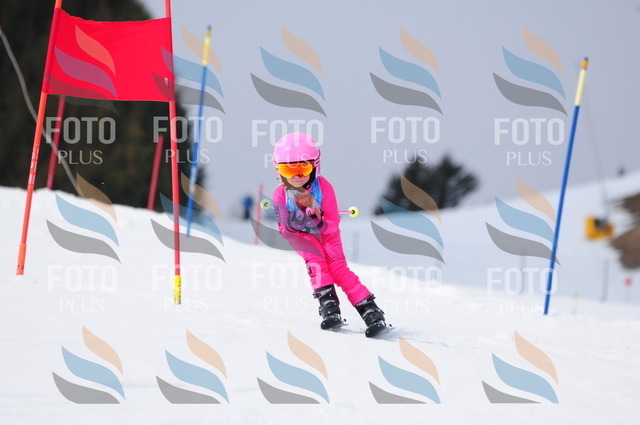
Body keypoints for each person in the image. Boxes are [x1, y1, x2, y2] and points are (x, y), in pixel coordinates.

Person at [270, 133, 388, 337]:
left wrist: (319, 222)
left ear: (315, 166)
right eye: (288, 169)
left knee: (338, 267)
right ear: (278, 170)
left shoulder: (324, 188)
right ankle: (329, 306)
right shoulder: (280, 194)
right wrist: (298, 222)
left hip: (327, 235)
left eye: (303, 168)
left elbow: (333, 224)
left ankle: (370, 310)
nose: (296, 176)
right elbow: (284, 231)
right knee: (316, 262)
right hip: (301, 238)